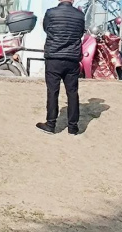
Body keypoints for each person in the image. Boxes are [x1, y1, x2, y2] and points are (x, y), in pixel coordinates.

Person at [36, 0, 85, 137]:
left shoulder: (51, 13)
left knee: (52, 91)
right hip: (72, 58)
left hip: (54, 57)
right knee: (72, 92)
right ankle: (73, 128)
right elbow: (80, 33)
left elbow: (47, 29)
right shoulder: (80, 15)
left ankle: (50, 125)